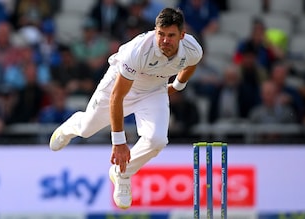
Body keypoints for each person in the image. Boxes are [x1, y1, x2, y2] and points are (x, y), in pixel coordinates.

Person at [49, 8, 203, 209]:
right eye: (161, 34)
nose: (165, 40)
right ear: (155, 31)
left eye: (171, 35)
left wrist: (178, 85)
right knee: (87, 129)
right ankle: (71, 126)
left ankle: (122, 173)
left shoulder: (193, 49)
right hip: (119, 87)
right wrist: (119, 143)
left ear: (182, 35)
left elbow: (191, 63)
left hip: (154, 90)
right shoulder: (139, 50)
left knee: (157, 140)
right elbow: (117, 96)